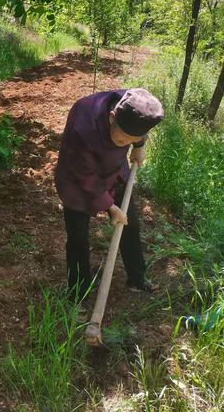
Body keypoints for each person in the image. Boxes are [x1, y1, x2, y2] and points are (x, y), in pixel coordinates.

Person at [55, 88, 164, 297]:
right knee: (78, 236)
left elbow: (138, 132)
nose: (124, 144)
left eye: (129, 141)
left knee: (129, 221)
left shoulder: (131, 104)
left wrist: (138, 145)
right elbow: (86, 178)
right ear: (112, 117)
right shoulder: (83, 128)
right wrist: (110, 207)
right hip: (77, 181)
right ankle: (79, 292)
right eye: (123, 140)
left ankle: (137, 278)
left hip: (114, 172)